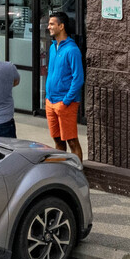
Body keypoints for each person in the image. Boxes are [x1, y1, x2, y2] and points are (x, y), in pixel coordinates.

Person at [43, 9, 85, 159]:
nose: (49, 27)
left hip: (65, 103)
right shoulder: (53, 47)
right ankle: (63, 172)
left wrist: (66, 100)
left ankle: (78, 173)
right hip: (51, 101)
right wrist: (48, 98)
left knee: (72, 141)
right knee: (57, 140)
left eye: (52, 24)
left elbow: (78, 78)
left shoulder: (72, 50)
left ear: (61, 27)